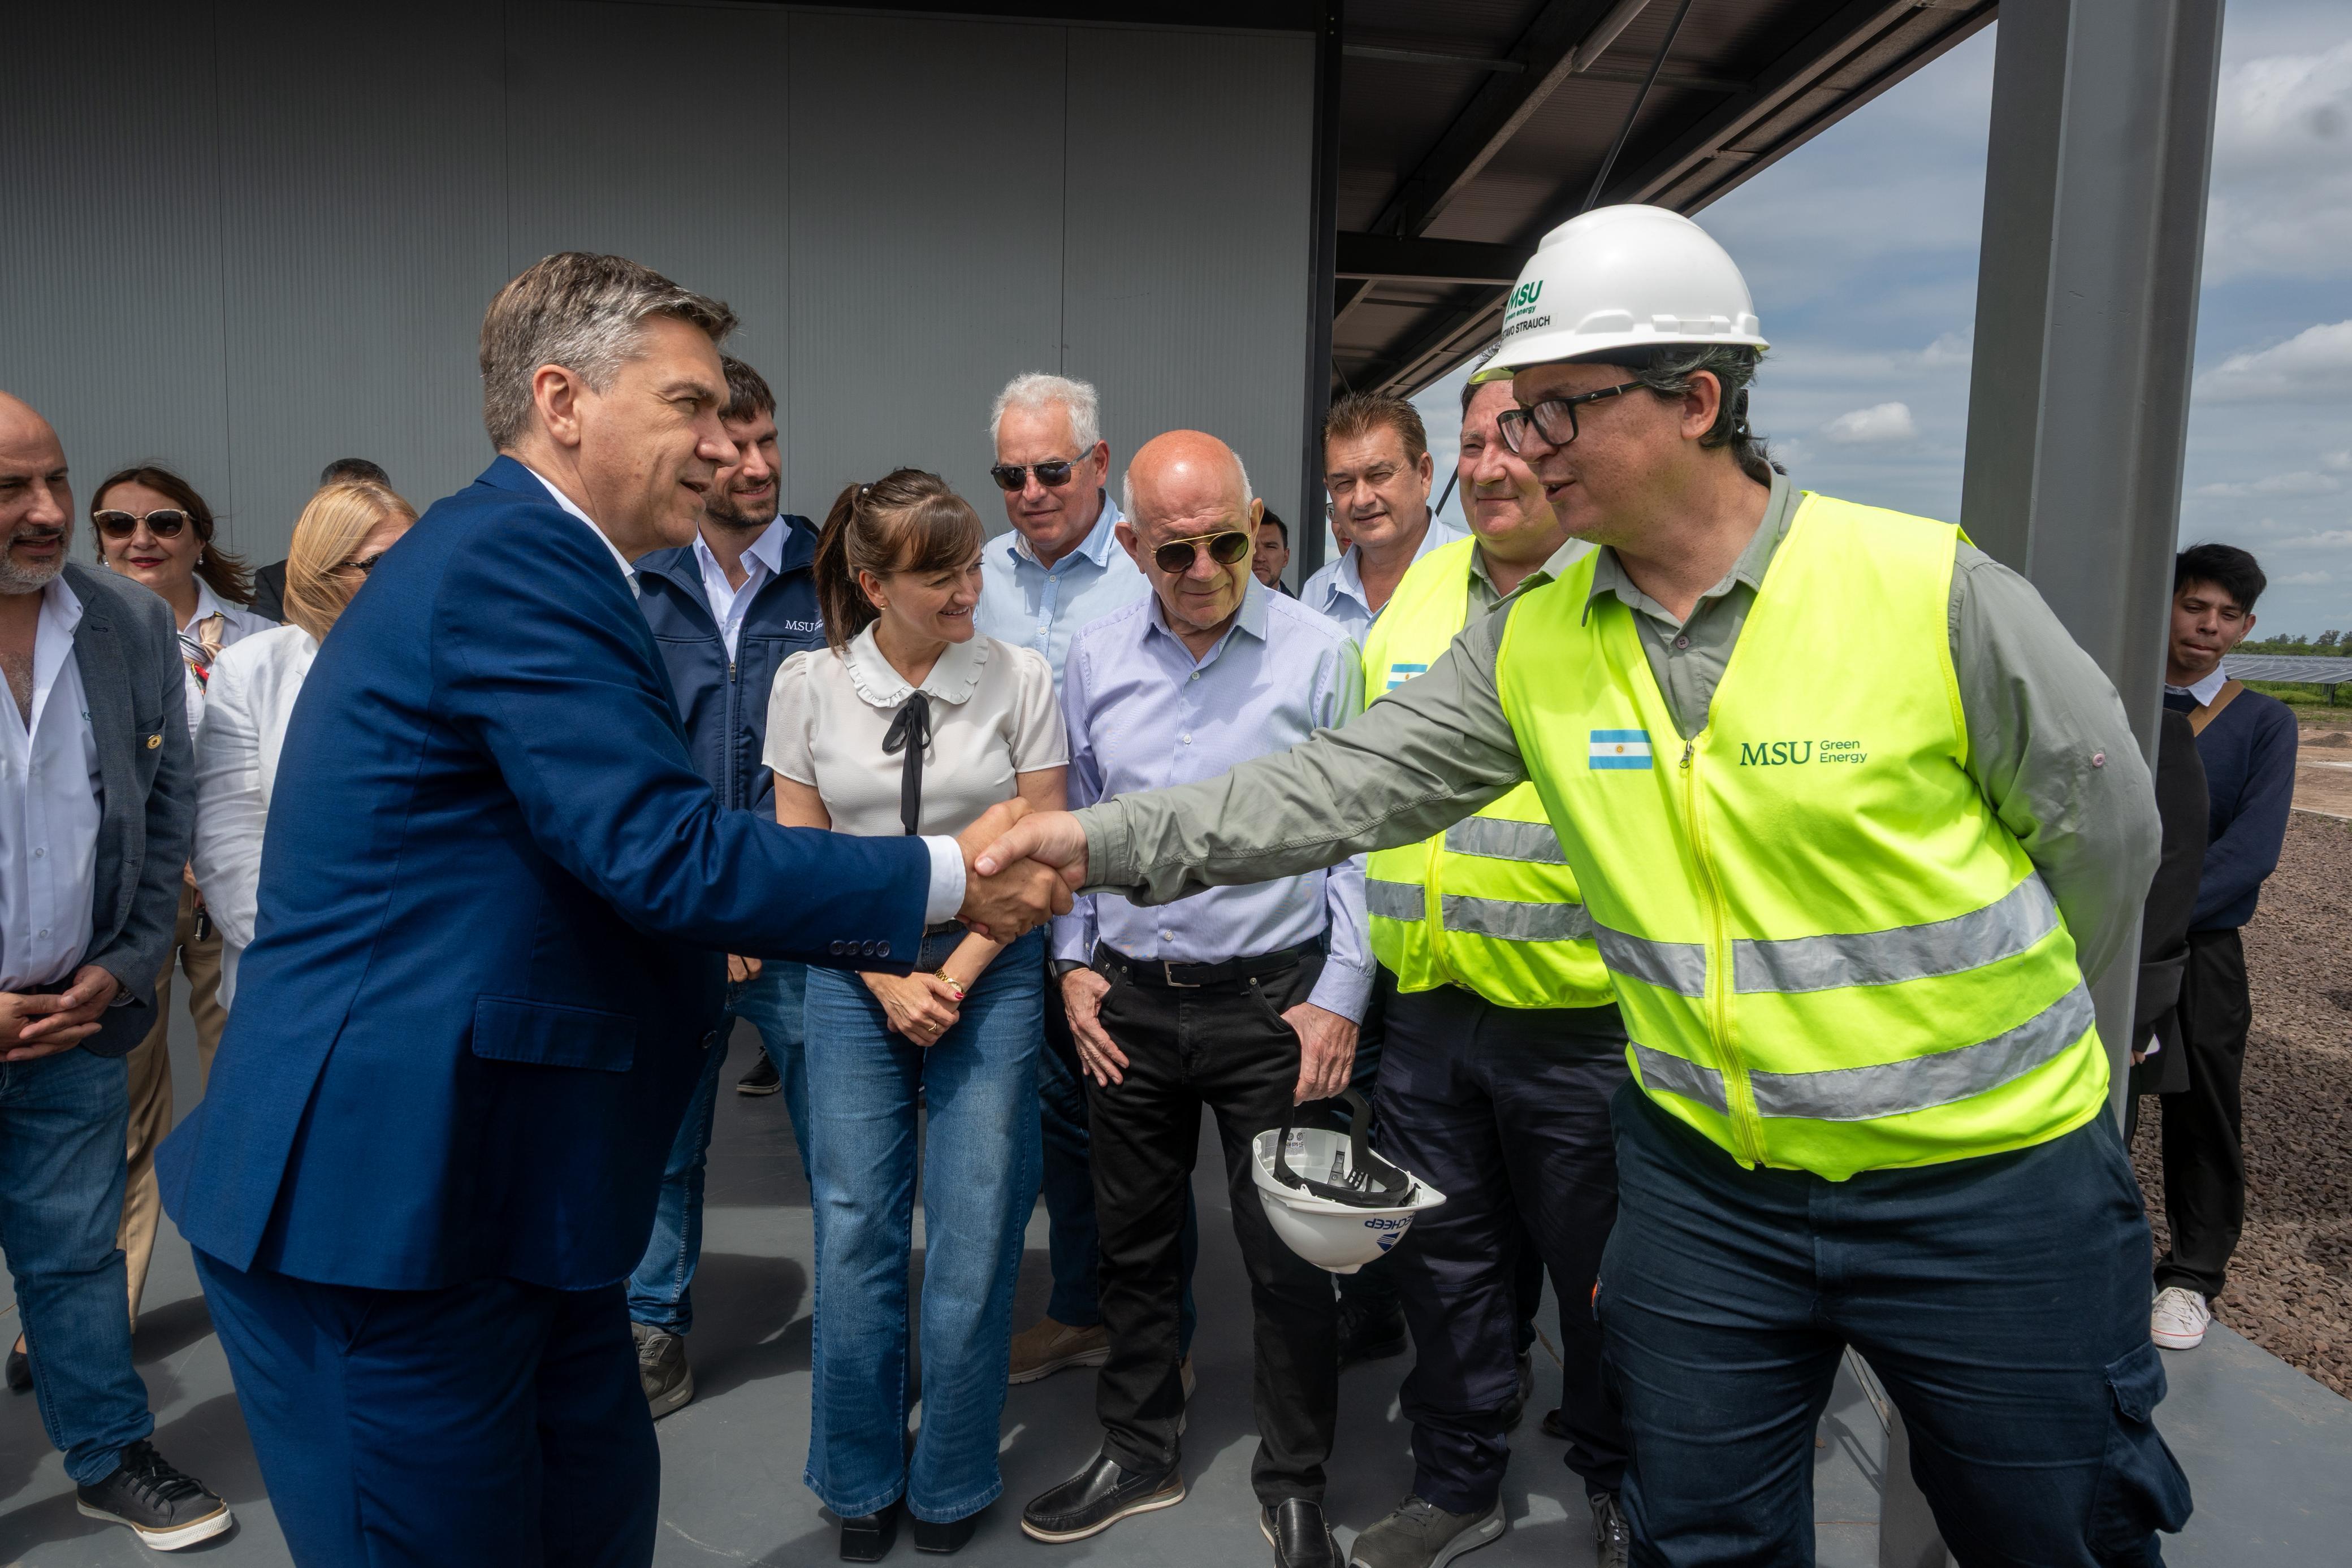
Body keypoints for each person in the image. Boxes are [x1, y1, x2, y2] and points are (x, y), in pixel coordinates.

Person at [978, 205, 2190, 1567]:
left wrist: (2027, 1070)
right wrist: (1095, 844)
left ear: (1699, 401)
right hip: (1707, 1181)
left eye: (1556, 411)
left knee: (2053, 1530)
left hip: (1987, 1184)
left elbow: (2108, 840)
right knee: (1700, 1533)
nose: (1517, 447)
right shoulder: (1533, 642)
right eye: (1512, 416)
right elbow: (1335, 790)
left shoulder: (1925, 590)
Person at [154, 252, 1066, 1568]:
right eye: (689, 405)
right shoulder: (517, 558)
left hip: (515, 1195)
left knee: (587, 1519)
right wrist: (949, 875)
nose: (723, 445)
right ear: (562, 400)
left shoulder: (542, 561)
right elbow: (656, 851)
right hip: (394, 1204)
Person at [1019, 431, 1370, 1568]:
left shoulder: (1319, 654)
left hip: (1271, 1005)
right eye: (1177, 553)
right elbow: (1076, 808)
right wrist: (1073, 960)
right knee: (1133, 1244)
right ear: (1131, 545)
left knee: (1288, 1258)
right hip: (1127, 1000)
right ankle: (1138, 1449)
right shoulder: (1091, 652)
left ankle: (1296, 1480)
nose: (1210, 567)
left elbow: (1361, 839)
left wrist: (1339, 995)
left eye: (1230, 540)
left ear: (1254, 519)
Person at [1349, 372, 1630, 1568]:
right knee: (1447, 1271)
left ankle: (1629, 1484)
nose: (1495, 462)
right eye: (1473, 440)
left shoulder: (1624, 600)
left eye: (1521, 434)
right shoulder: (1415, 601)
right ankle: (1457, 1479)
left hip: (1586, 1024)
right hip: (1429, 1014)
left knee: (1607, 1285)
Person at [768, 468, 1066, 1558]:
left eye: (973, 563)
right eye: (939, 573)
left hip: (989, 968)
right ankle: (858, 1473)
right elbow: (800, 868)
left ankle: (950, 1473)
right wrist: (887, 971)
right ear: (871, 583)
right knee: (856, 1229)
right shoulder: (806, 685)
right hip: (853, 977)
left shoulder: (1019, 675)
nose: (967, 589)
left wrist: (959, 966)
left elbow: (1042, 853)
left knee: (978, 1227)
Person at [0, 390, 230, 1549]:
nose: (47, 514)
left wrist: (127, 964)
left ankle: (103, 1453)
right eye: (10, 492)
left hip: (76, 1021)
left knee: (81, 1255)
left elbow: (167, 808)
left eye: (54, 483)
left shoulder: (122, 627)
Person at [627, 354, 826, 1416]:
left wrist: (757, 896)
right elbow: (634, 756)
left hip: (795, 916)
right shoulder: (639, 581)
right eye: (733, 444)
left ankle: (859, 1316)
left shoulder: (830, 576)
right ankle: (654, 1325)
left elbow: (846, 751)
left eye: (767, 440)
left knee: (840, 1134)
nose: (755, 463)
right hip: (675, 919)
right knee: (661, 1137)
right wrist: (704, 898)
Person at [971, 372, 1167, 1388]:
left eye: (1052, 469)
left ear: (1098, 462)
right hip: (1009, 902)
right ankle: (1086, 1309)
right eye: (1011, 473)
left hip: (1125, 896)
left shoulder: (1150, 566)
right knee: (1055, 1121)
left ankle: (1156, 1335)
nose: (1032, 490)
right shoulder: (980, 573)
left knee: (1136, 1130)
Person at [88, 462, 273, 1326]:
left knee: (250, 1089)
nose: (141, 540)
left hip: (233, 904)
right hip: (133, 908)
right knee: (125, 1109)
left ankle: (263, 1284)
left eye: (162, 522)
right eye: (118, 525)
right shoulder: (84, 641)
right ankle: (104, 1308)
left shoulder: (259, 638)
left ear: (198, 533)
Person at [2147, 544, 2297, 1353]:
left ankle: (2192, 1277)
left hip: (2201, 945)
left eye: (2226, 616)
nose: (2207, 627)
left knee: (2203, 1106)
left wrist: (2153, 915)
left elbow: (2252, 852)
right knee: (2091, 1095)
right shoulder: (2114, 698)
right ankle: (2085, 1257)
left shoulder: (2264, 721)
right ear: (2163, 603)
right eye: (2193, 606)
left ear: (2245, 628)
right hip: (2101, 933)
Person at [192, 480, 417, 1011]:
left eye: (416, 556)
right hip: (293, 971)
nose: (408, 577)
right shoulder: (251, 668)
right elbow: (230, 838)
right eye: (377, 564)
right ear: (322, 573)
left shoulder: (458, 659)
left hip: (424, 972)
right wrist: (302, 948)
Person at [1298, 393, 1464, 641]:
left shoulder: (1477, 575)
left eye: (1379, 475)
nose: (1362, 499)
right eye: (1344, 483)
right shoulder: (1316, 595)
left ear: (1424, 474)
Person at [249, 460, 392, 622]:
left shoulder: (409, 569)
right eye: (345, 503)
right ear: (321, 508)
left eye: (372, 500)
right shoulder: (278, 579)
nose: (358, 513)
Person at [1255, 509, 1294, 592]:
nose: (1260, 558)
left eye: (1270, 547)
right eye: (1251, 547)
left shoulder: (1299, 605)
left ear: (1285, 558)